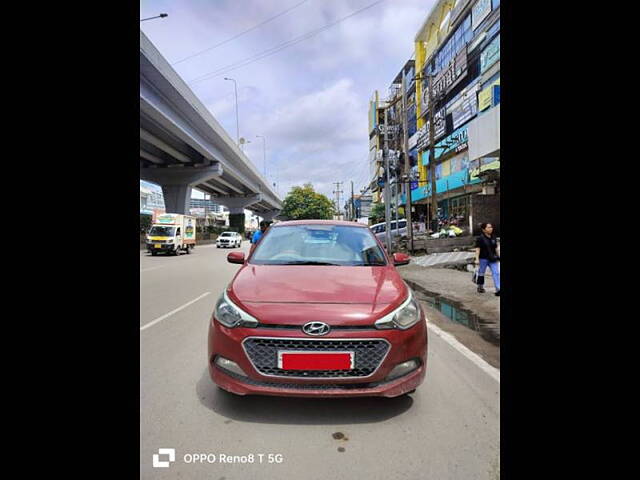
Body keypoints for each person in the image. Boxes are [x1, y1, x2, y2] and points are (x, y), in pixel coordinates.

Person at [474, 223, 500, 296]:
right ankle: (480, 286)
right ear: (484, 229)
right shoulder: (480, 239)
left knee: (496, 273)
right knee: (481, 273)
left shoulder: (493, 237)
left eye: (491, 227)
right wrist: (477, 259)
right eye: (488, 227)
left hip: (493, 258)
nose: (491, 228)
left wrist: (498, 256)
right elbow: (477, 250)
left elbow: (496, 248)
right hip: (483, 259)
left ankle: (498, 289)